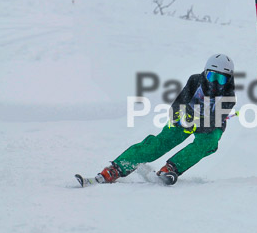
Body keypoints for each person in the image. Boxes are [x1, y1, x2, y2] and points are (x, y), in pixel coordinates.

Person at [77, 54, 236, 186]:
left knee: (208, 143)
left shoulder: (229, 96)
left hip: (209, 126)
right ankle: (117, 167)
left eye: (221, 79)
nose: (215, 83)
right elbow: (179, 102)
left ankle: (172, 168)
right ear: (205, 72)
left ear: (228, 80)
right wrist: (179, 116)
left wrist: (198, 123)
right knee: (160, 143)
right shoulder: (195, 81)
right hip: (186, 117)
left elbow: (214, 121)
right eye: (212, 76)